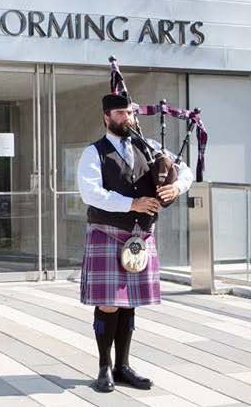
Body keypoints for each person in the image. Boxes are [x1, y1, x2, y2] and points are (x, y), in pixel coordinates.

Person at [76, 92, 192, 393]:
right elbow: (90, 193)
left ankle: (123, 366)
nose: (127, 118)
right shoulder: (94, 152)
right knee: (109, 303)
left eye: (130, 113)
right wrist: (132, 204)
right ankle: (104, 367)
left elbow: (185, 170)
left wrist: (175, 188)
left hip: (140, 236)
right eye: (120, 114)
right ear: (107, 117)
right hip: (106, 232)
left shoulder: (150, 147)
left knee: (129, 304)